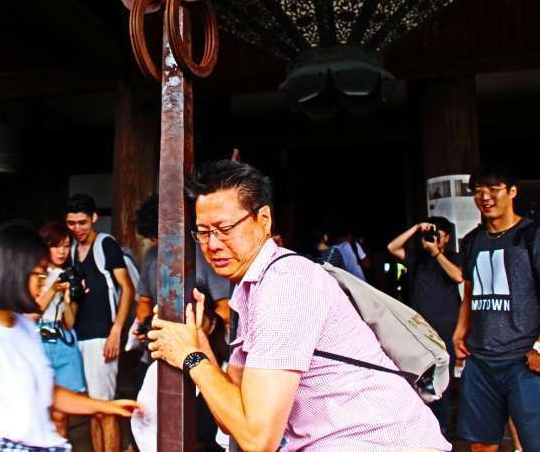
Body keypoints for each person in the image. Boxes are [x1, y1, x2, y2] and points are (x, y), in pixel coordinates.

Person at [147, 160, 450, 451]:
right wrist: (201, 347)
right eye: (203, 232)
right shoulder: (254, 288)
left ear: (263, 219)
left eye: (225, 228)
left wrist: (191, 357)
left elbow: (257, 438)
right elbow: (234, 418)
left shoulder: (286, 284)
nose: (212, 244)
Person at [0, 222, 137, 451]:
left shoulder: (23, 326)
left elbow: (46, 389)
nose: (42, 282)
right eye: (38, 274)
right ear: (12, 273)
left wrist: (105, 406)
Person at [453, 164, 540, 452]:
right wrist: (460, 333)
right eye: (479, 192)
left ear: (512, 192)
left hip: (525, 361)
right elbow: (470, 294)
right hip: (481, 361)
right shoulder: (472, 241)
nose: (486, 198)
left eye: (494, 190)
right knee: (481, 444)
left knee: (538, 444)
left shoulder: (537, 237)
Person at [64, 194, 135, 452]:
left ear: (94, 218)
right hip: (80, 336)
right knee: (93, 409)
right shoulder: (71, 250)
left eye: (82, 222)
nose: (77, 229)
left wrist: (116, 330)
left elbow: (127, 289)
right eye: (71, 223)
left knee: (105, 408)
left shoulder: (106, 244)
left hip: (102, 336)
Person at [386, 216, 463, 434]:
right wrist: (416, 228)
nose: (429, 238)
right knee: (418, 377)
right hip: (419, 330)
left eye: (436, 234)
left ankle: (441, 429)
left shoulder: (453, 257)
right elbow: (392, 247)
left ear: (446, 238)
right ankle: (421, 427)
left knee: (442, 380)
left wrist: (437, 253)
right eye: (427, 235)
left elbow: (458, 277)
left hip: (446, 329)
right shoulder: (416, 259)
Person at [131, 285, 229, 452]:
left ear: (212, 325)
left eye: (196, 322)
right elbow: (144, 424)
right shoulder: (158, 371)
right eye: (181, 322)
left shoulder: (227, 372)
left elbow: (233, 434)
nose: (186, 331)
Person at [134, 194, 231, 331]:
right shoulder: (151, 256)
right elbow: (144, 301)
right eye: (152, 238)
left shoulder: (203, 254)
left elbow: (225, 307)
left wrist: (199, 328)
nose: (155, 242)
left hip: (200, 339)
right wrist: (146, 324)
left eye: (157, 236)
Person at [35, 221, 87, 438]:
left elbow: (70, 322)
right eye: (56, 246)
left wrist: (67, 298)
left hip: (64, 342)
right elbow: (32, 312)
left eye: (66, 246)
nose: (62, 251)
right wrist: (52, 288)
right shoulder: (35, 275)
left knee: (61, 414)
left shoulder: (69, 276)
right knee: (39, 410)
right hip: (39, 339)